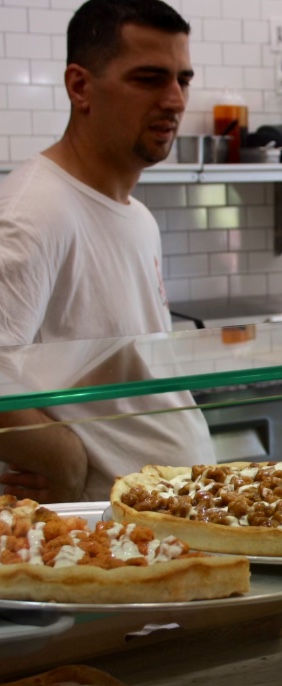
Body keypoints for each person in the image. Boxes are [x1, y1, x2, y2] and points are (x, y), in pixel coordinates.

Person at [0, 0, 216, 503]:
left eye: (183, 80)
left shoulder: (138, 217)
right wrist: (64, 459)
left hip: (175, 515)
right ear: (80, 87)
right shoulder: (34, 213)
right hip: (107, 533)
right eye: (149, 79)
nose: (175, 100)